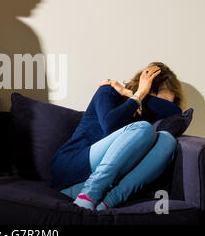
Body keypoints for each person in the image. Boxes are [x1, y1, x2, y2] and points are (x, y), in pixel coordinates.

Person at [49, 62, 185, 211]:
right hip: (69, 170)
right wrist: (138, 94)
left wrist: (136, 95)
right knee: (144, 128)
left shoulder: (146, 114)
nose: (159, 103)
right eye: (158, 96)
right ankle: (90, 195)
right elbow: (110, 126)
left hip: (89, 187)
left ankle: (108, 203)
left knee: (167, 140)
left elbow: (176, 112)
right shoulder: (109, 91)